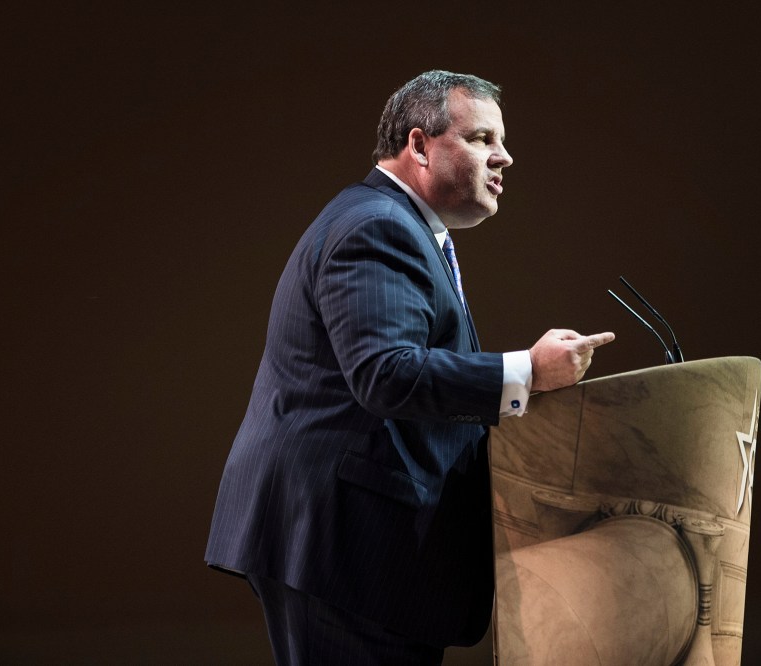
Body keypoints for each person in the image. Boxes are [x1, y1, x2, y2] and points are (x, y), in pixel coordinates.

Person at [205, 70, 615, 665]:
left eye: (501, 140)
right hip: (343, 546)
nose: (504, 157)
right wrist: (526, 371)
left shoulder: (400, 226)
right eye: (481, 138)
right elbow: (386, 373)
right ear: (419, 145)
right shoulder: (378, 226)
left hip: (356, 549)